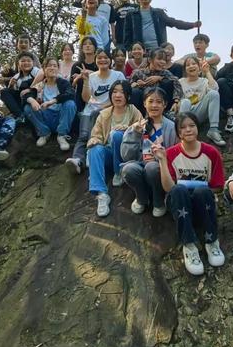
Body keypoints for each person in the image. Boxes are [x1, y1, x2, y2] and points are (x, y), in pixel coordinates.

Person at [153, 112, 225, 276]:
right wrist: (163, 161)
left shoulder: (211, 153)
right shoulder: (171, 153)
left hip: (203, 204)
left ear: (198, 128)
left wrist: (198, 188)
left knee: (201, 190)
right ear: (178, 133)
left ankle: (211, 241)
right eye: (183, 127)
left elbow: (218, 186)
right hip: (180, 205)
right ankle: (189, 245)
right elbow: (168, 188)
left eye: (192, 125)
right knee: (178, 189)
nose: (188, 130)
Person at [87, 80, 142, 217]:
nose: (118, 95)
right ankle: (102, 194)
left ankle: (119, 172)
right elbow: (96, 134)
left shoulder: (133, 110)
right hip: (109, 155)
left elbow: (142, 130)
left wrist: (127, 129)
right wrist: (95, 140)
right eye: (115, 92)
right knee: (94, 149)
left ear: (128, 96)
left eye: (122, 92)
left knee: (117, 135)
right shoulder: (104, 114)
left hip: (126, 157)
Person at [65, 48, 125, 174]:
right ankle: (77, 160)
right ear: (96, 60)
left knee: (96, 135)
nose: (102, 60)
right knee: (83, 136)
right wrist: (86, 80)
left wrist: (106, 107)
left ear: (110, 60)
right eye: (99, 58)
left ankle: (90, 156)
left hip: (110, 110)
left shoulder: (118, 75)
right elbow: (86, 98)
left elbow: (123, 95)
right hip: (91, 109)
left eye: (105, 57)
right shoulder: (91, 76)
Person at [121, 86, 178, 217]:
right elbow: (126, 156)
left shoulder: (172, 127)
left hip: (162, 168)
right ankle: (142, 198)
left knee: (152, 167)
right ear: (144, 104)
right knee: (128, 169)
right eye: (151, 101)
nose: (154, 105)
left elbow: (176, 154)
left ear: (165, 105)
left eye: (159, 102)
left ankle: (158, 201)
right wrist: (134, 134)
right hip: (140, 165)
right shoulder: (137, 126)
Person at [124, 0, 201, 51]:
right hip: (140, 51)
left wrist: (192, 25)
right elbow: (127, 34)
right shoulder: (131, 14)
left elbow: (174, 22)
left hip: (158, 50)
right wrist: (129, 49)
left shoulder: (159, 13)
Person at [23, 57, 76, 151]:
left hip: (60, 117)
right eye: (49, 66)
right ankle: (44, 133)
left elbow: (70, 93)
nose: (52, 68)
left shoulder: (63, 83)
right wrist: (32, 100)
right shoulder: (40, 85)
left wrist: (52, 101)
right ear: (44, 69)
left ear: (58, 69)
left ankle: (62, 135)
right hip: (46, 117)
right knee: (28, 107)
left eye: (55, 66)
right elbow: (27, 95)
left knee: (70, 104)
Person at [179, 56, 225, 147]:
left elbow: (215, 88)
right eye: (188, 65)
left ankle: (213, 130)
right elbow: (177, 99)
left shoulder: (204, 81)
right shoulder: (180, 82)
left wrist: (207, 72)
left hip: (199, 113)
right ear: (185, 69)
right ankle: (181, 132)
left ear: (199, 67)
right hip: (185, 113)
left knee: (213, 94)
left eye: (194, 64)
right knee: (185, 102)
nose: (191, 66)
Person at [129, 48, 183, 116]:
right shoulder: (138, 72)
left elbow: (176, 83)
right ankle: (136, 117)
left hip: (161, 105)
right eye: (159, 59)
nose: (163, 62)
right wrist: (136, 84)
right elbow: (129, 85)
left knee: (167, 82)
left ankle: (166, 114)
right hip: (143, 106)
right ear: (150, 60)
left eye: (164, 60)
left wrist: (160, 78)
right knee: (135, 92)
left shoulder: (165, 73)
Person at [1, 51, 41, 123]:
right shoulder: (16, 77)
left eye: (29, 61)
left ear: (33, 63)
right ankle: (20, 116)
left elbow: (43, 80)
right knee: (4, 91)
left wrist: (30, 89)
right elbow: (15, 95)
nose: (26, 63)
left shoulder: (36, 71)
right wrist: (11, 86)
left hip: (36, 98)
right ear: (18, 64)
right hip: (23, 100)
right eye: (23, 61)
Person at [70, 36, 98, 112]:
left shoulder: (99, 64)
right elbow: (71, 85)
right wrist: (79, 77)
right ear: (82, 48)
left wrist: (89, 73)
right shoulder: (77, 65)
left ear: (95, 47)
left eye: (90, 44)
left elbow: (103, 76)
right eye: (85, 44)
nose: (88, 46)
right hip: (79, 96)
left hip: (97, 95)